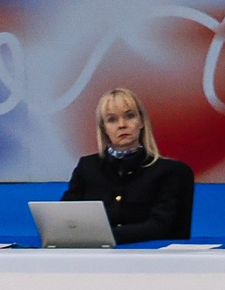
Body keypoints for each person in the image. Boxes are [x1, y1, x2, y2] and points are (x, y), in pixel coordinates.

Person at [60, 88, 194, 244]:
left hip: (149, 260)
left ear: (142, 121)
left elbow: (160, 227)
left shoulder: (169, 172)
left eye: (129, 116)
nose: (122, 125)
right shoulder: (87, 167)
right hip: (96, 259)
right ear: (104, 128)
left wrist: (101, 236)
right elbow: (64, 221)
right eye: (112, 119)